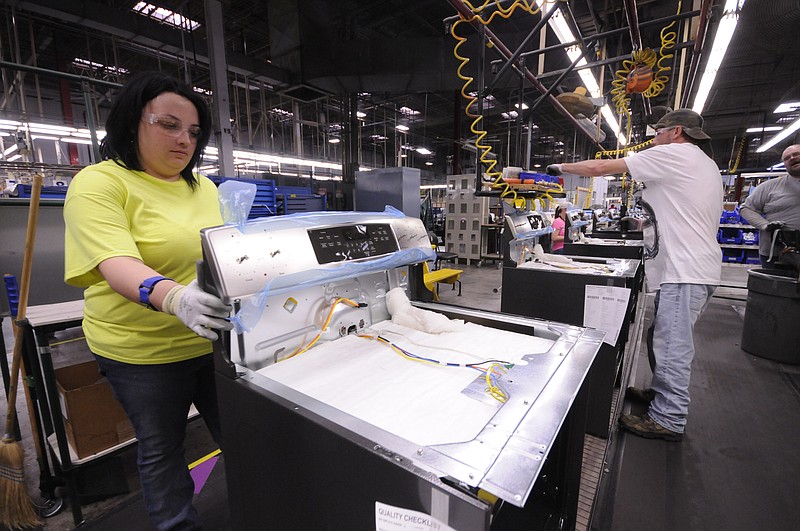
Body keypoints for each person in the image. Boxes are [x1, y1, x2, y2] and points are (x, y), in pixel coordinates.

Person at [63, 72, 233, 530]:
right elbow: (115, 262)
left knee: (241, 437)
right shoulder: (100, 183)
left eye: (194, 132)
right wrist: (175, 298)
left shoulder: (204, 189)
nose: (185, 140)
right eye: (169, 124)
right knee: (163, 451)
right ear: (131, 123)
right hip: (141, 352)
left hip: (210, 340)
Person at [547, 109, 723, 442]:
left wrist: (559, 169)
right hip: (693, 267)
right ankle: (661, 394)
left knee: (672, 344)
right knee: (662, 336)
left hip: (686, 270)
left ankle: (669, 418)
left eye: (658, 132)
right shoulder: (702, 163)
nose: (653, 139)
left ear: (676, 132)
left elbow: (600, 167)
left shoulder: (674, 153)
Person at [739, 144, 800, 267]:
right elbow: (746, 208)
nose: (792, 158)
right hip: (776, 254)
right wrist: (765, 225)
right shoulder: (770, 186)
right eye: (787, 158)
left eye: (796, 154)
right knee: (777, 286)